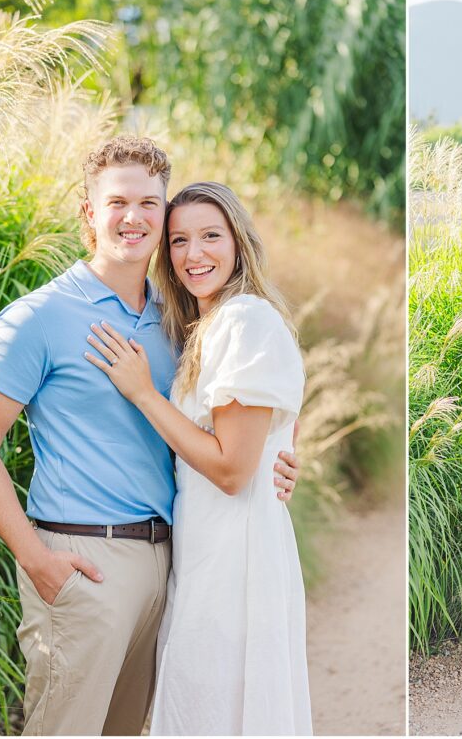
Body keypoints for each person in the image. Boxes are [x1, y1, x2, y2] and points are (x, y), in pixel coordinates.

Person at [0, 137, 299, 736]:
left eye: (149, 203)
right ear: (89, 212)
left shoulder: (183, 315)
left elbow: (234, 412)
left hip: (174, 560)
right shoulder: (38, 318)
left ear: (164, 215)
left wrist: (281, 456)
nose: (133, 217)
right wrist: (36, 559)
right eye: (117, 202)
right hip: (84, 561)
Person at [84, 181, 311, 735]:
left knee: (215, 708)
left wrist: (143, 394)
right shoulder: (211, 325)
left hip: (235, 556)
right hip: (210, 543)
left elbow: (232, 470)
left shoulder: (244, 320)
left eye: (211, 236)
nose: (194, 254)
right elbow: (277, 418)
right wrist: (283, 453)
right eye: (179, 241)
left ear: (238, 241)